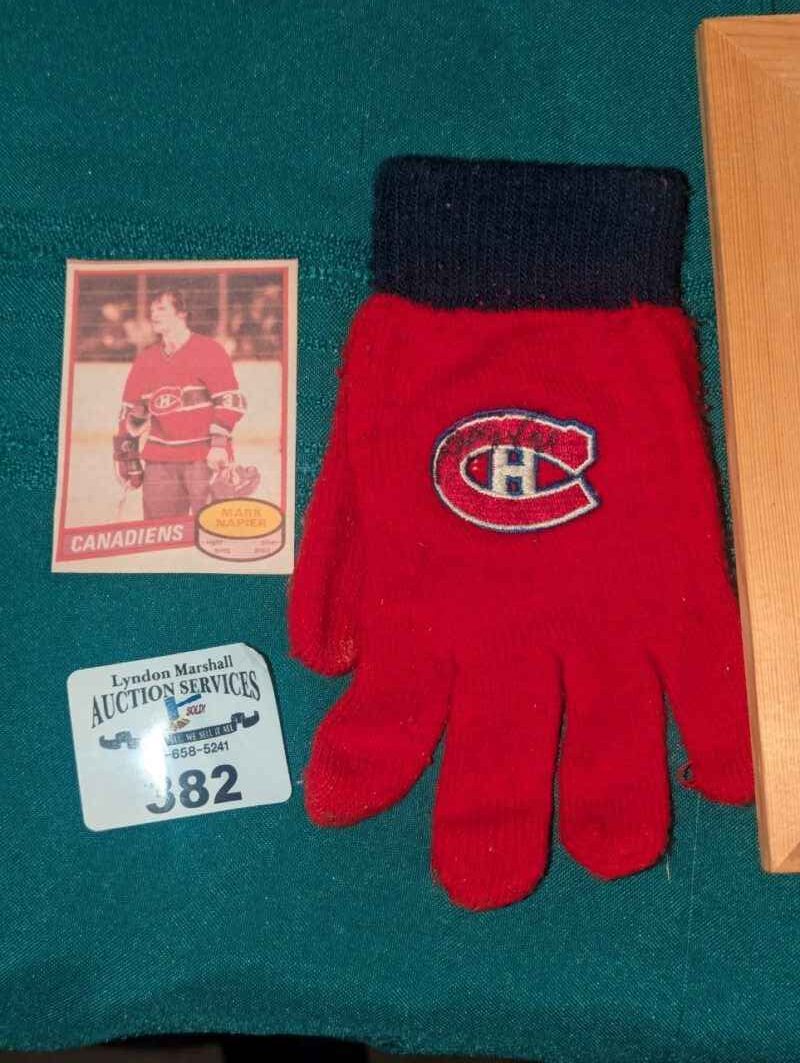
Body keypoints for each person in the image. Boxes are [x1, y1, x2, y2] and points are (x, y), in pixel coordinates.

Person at [113, 289, 246, 519]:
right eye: (152, 310)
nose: (154, 315)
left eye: (161, 309)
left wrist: (218, 445)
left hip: (205, 458)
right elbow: (132, 413)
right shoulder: (145, 360)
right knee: (160, 535)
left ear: (182, 313)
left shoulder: (209, 351)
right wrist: (128, 456)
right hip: (160, 461)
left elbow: (230, 401)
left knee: (212, 531)